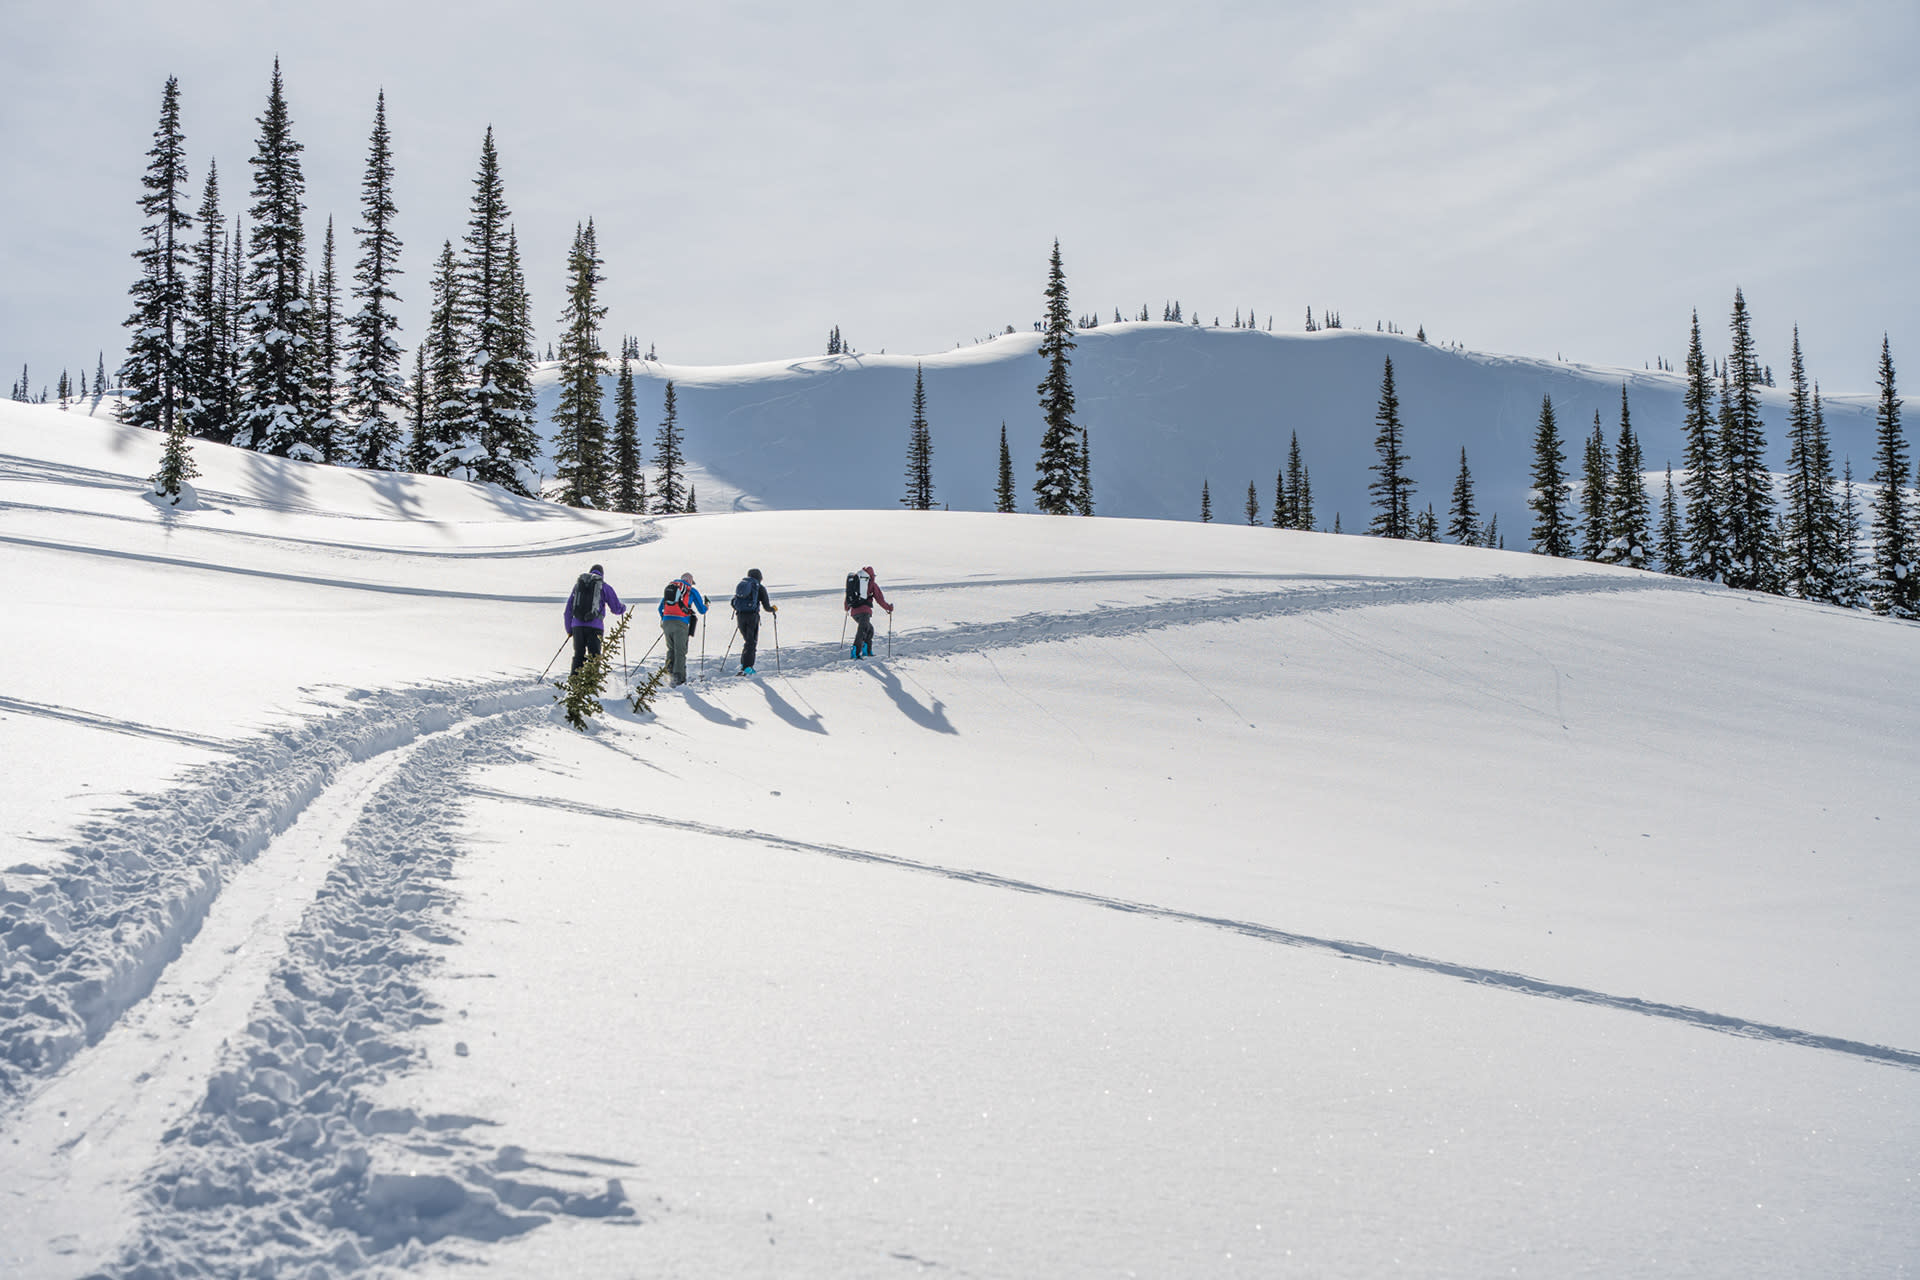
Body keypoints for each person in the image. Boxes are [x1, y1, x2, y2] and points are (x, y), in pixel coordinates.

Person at [563, 564, 626, 676]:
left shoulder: (578, 586)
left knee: (578, 655)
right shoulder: (604, 586)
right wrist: (623, 608)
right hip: (595, 627)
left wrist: (570, 630)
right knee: (594, 657)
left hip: (577, 626)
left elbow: (568, 610)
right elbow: (616, 608)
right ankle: (591, 688)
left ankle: (574, 686)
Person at [658, 571, 707, 685]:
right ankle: (679, 678)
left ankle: (667, 674)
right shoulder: (691, 590)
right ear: (690, 581)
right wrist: (707, 606)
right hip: (681, 624)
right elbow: (702, 610)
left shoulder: (671, 588)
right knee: (680, 651)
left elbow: (660, 608)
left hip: (666, 622)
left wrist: (666, 619)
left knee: (671, 649)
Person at [729, 568, 778, 676]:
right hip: (752, 617)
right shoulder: (759, 587)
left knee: (747, 641)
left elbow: (733, 602)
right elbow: (766, 606)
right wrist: (773, 609)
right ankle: (747, 668)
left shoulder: (743, 586)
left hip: (740, 616)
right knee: (751, 642)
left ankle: (744, 665)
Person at [843, 565, 892, 659]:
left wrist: (847, 608)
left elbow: (849, 595)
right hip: (865, 612)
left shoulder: (855, 582)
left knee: (869, 630)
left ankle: (867, 651)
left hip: (854, 613)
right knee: (862, 631)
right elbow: (880, 599)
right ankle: (855, 652)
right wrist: (888, 608)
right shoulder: (871, 583)